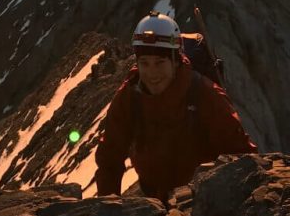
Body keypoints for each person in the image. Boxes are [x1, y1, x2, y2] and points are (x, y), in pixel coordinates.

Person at [95, 11, 257, 202]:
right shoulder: (130, 95)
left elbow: (240, 154)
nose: (152, 73)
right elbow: (109, 159)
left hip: (205, 202)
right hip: (155, 199)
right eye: (144, 63)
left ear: (175, 60)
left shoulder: (204, 94)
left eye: (160, 63)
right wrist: (109, 212)